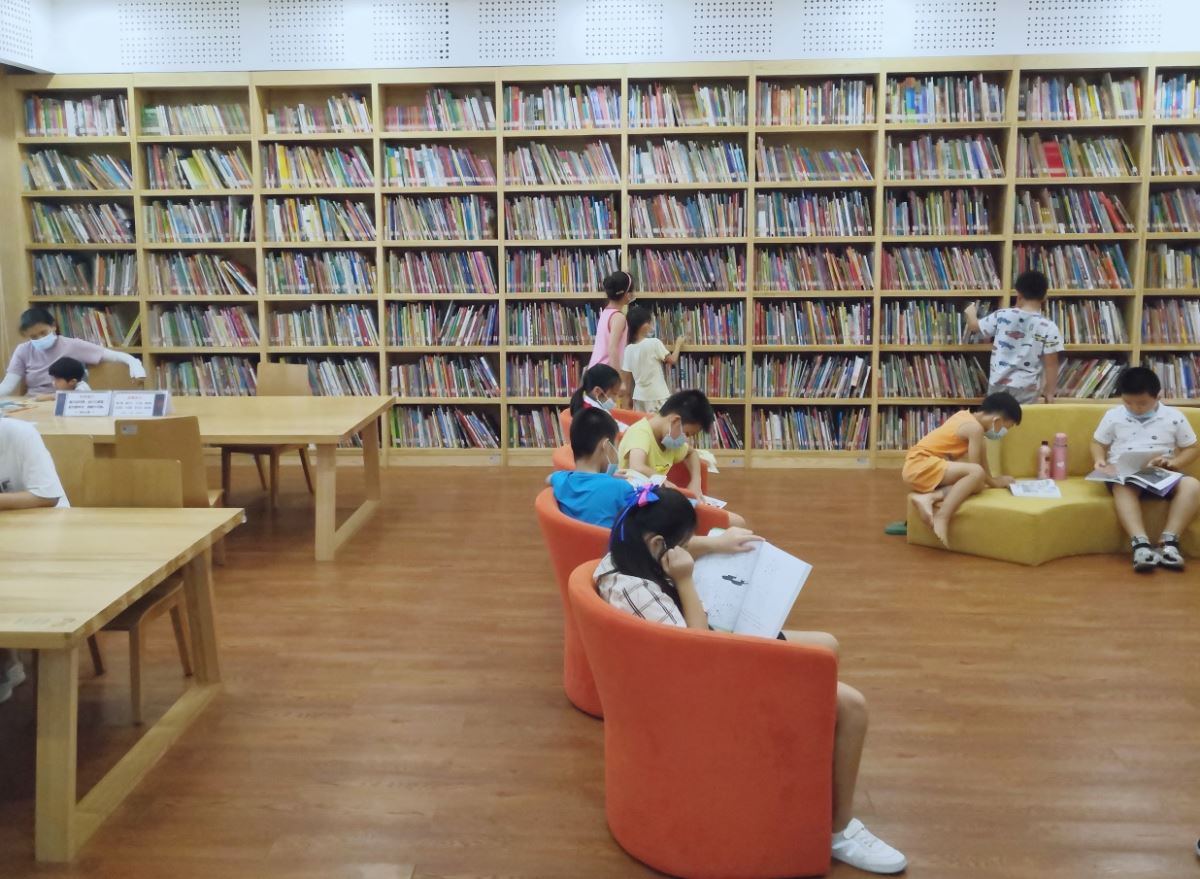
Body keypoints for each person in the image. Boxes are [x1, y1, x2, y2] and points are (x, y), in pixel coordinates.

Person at [593, 487, 907, 875]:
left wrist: (714, 544)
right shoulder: (638, 592)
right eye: (685, 545)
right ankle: (839, 831)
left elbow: (671, 570)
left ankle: (806, 759)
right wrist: (686, 581)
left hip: (696, 661)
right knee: (852, 706)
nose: (689, 550)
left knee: (826, 647)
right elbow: (697, 655)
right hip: (705, 680)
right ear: (659, 545)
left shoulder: (622, 553)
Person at [551, 407, 745, 527]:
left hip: (589, 555)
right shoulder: (620, 488)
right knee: (736, 522)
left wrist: (608, 477)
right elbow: (662, 505)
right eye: (615, 446)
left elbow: (550, 479)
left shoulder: (561, 479)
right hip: (625, 559)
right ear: (606, 447)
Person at [1090, 366, 1200, 572]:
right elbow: (1098, 443)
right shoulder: (1113, 416)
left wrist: (1175, 463)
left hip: (1163, 472)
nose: (1135, 408)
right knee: (1123, 487)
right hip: (1125, 474)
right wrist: (1099, 460)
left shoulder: (1174, 416)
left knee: (1192, 485)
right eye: (1128, 402)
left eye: (1142, 403)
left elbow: (1192, 448)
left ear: (1158, 396)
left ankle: (1169, 542)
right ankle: (1140, 545)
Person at [0, 416, 69, 704]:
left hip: (48, 539)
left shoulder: (19, 434)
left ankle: (7, 661)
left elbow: (46, 496)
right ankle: (8, 660)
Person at [903, 392, 1022, 547]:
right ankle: (942, 516)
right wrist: (987, 480)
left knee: (976, 483)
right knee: (975, 475)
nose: (1003, 433)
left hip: (921, 466)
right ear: (997, 420)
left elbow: (983, 475)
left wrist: (997, 482)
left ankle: (929, 497)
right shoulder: (974, 429)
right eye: (1006, 428)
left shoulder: (966, 419)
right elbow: (976, 469)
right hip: (920, 464)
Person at [964, 269, 1063, 405]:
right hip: (1027, 387)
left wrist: (970, 311)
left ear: (1019, 294)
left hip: (998, 383)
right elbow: (1051, 364)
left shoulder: (1002, 315)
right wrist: (1049, 392)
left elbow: (974, 326)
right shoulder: (1049, 327)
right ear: (1045, 297)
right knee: (1023, 417)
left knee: (997, 416)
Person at [0, 307, 145, 398]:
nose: (39, 339)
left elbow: (112, 355)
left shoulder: (72, 345)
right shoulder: (23, 350)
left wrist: (133, 362)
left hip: (65, 401)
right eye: (33, 337)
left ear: (53, 326)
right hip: (34, 403)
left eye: (43, 333)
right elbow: (7, 386)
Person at [619, 389, 712, 496]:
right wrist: (666, 482)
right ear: (675, 421)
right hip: (631, 497)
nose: (685, 440)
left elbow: (691, 453)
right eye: (686, 434)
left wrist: (696, 481)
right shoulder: (640, 432)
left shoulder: (670, 441)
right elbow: (637, 466)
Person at [621, 305, 684, 414]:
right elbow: (673, 360)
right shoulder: (654, 343)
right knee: (661, 423)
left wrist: (627, 401)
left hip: (639, 398)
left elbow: (627, 380)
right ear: (644, 325)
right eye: (650, 323)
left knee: (644, 424)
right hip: (657, 396)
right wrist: (678, 344)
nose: (651, 326)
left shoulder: (628, 349)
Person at [587, 271, 637, 398]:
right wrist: (618, 380)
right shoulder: (618, 317)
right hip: (605, 376)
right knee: (604, 407)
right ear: (627, 294)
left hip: (596, 371)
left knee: (597, 407)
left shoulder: (606, 313)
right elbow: (612, 348)